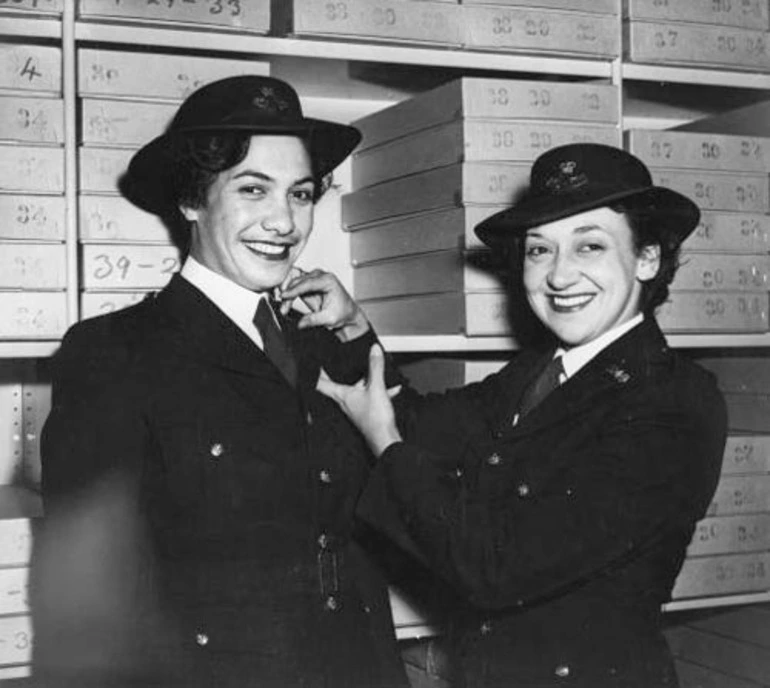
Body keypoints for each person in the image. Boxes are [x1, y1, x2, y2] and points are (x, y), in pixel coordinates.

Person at [31, 75, 409, 688]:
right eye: (253, 189)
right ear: (191, 200)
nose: (284, 221)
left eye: (302, 193)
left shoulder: (324, 335)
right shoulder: (115, 353)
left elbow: (414, 467)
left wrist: (358, 332)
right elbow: (86, 607)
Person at [318, 143, 728, 688]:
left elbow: (498, 566)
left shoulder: (675, 401)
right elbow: (427, 424)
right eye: (540, 250)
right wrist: (353, 332)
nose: (559, 276)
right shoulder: (540, 370)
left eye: (589, 247)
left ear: (647, 258)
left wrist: (387, 447)